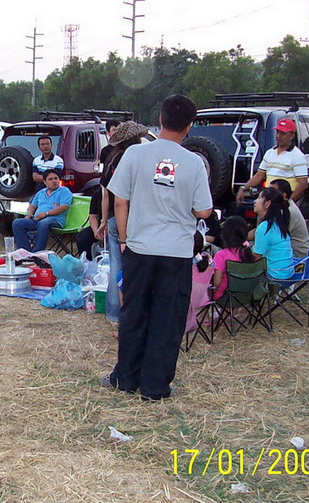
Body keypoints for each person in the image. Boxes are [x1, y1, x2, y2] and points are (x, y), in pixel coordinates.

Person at [103, 95, 213, 401]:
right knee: (167, 319)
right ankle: (154, 387)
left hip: (139, 248)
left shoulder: (135, 153)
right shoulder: (194, 162)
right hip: (176, 252)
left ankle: (125, 378)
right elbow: (204, 210)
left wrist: (124, 239)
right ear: (189, 126)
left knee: (134, 314)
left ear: (160, 119)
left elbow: (120, 201)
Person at [96, 120, 147, 323]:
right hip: (133, 219)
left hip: (113, 219)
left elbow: (105, 195)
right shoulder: (139, 162)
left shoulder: (112, 161)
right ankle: (132, 313)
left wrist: (104, 220)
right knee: (134, 269)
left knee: (115, 267)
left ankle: (113, 313)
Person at [236, 118, 308, 204]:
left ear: (292, 135)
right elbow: (259, 175)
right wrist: (244, 188)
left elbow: (303, 184)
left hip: (285, 197)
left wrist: (289, 202)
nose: (278, 136)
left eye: (283, 133)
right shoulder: (270, 153)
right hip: (269, 197)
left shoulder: (297, 156)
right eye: (277, 132)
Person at [12, 169, 73, 252]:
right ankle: (24, 252)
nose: (54, 181)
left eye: (56, 178)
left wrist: (46, 214)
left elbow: (64, 207)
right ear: (45, 182)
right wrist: (29, 214)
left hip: (55, 220)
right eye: (50, 179)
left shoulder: (64, 191)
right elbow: (33, 206)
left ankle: (37, 253)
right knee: (17, 223)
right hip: (37, 219)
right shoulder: (41, 193)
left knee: (44, 223)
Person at [251, 187, 294, 279]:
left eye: (259, 198)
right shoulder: (279, 223)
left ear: (267, 203)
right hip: (287, 273)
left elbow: (256, 257)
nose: (255, 201)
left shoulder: (264, 227)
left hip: (274, 276)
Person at [211, 216, 255, 300]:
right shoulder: (248, 252)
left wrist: (208, 296)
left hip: (224, 297)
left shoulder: (221, 255)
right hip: (245, 296)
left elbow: (217, 283)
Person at [268, 179, 309, 258]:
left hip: (296, 254)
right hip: (289, 249)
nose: (268, 194)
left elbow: (275, 238)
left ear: (283, 195)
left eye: (272, 191)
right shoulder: (284, 206)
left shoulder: (288, 211)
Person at [76, 187, 103, 260]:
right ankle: (87, 262)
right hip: (100, 225)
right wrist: (96, 231)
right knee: (82, 237)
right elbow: (93, 216)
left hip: (116, 225)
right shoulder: (97, 194)